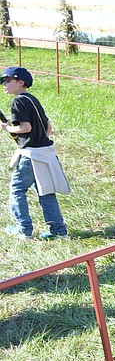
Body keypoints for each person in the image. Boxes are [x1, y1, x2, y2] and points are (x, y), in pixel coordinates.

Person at [1, 66, 69, 239]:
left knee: (17, 189)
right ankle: (58, 231)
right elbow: (48, 126)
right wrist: (38, 140)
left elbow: (25, 127)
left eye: (7, 80)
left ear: (21, 82)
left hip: (31, 156)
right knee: (45, 190)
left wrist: (8, 127)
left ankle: (23, 229)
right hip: (45, 152)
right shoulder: (32, 99)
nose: (4, 84)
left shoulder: (17, 101)